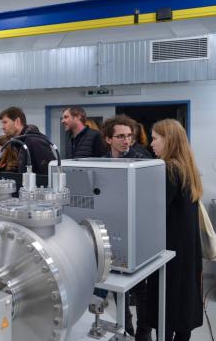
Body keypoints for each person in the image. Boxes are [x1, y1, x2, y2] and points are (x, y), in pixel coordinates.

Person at [148, 119, 203, 341]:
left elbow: (155, 213)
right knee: (183, 306)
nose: (151, 144)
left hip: (170, 250)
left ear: (168, 140)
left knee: (166, 308)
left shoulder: (168, 169)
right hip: (188, 249)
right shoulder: (188, 168)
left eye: (155, 139)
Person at [101, 115, 152, 340]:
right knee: (117, 287)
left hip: (139, 232)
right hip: (113, 232)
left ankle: (143, 333)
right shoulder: (101, 162)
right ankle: (126, 329)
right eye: (120, 136)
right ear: (108, 139)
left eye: (129, 136)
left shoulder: (142, 159)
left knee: (142, 289)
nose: (126, 141)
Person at [0, 107, 54, 175]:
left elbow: (49, 173)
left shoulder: (35, 141)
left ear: (17, 121)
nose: (2, 127)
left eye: (5, 122)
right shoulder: (18, 143)